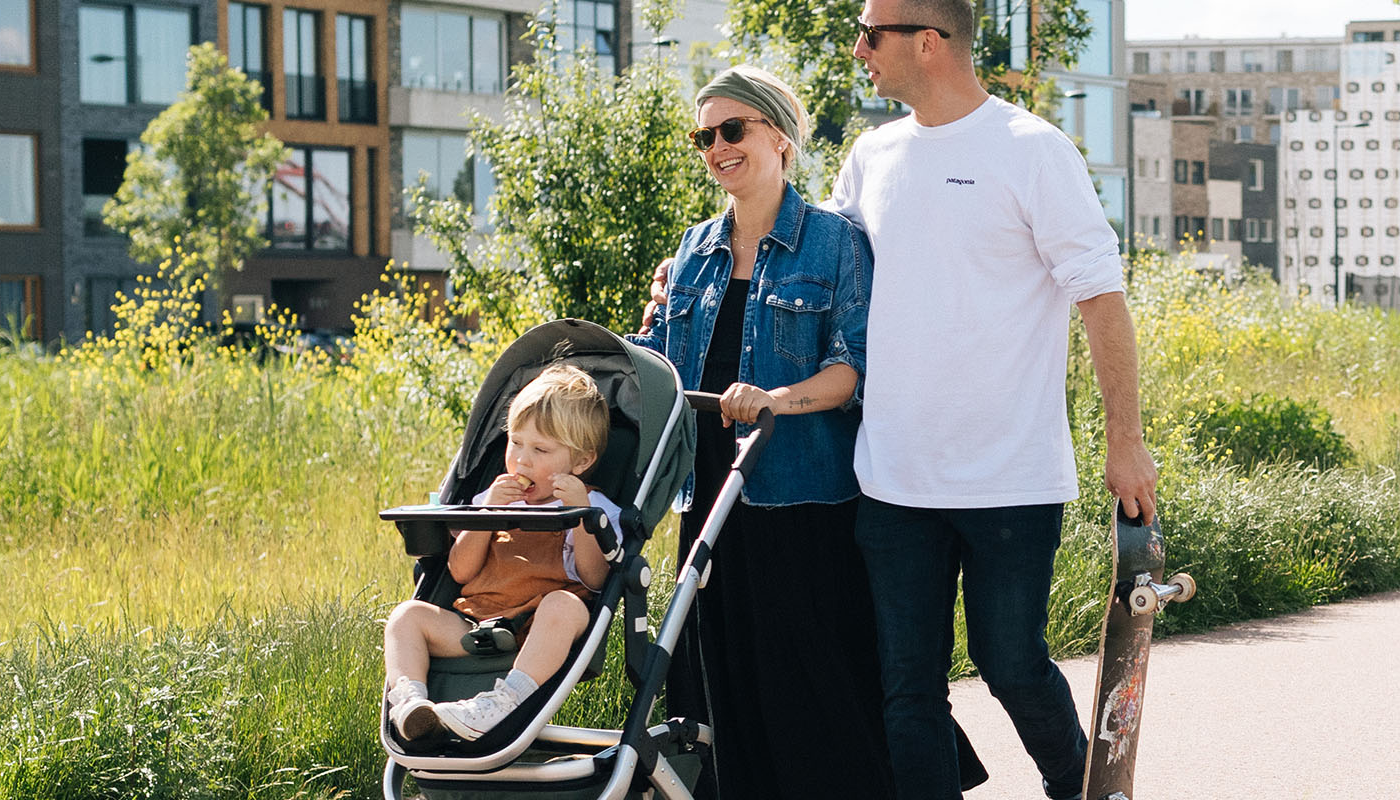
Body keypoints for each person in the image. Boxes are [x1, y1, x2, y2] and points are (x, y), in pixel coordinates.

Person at [645, 2, 1160, 797]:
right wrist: (692, 283)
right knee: (907, 690)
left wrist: (1123, 440)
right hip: (890, 477)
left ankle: (1088, 789)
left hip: (1009, 475)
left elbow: (1101, 298)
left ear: (928, 41)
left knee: (1011, 662)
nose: (857, 50)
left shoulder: (1032, 150)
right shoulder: (873, 154)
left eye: (870, 34)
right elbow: (823, 273)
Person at [627, 65, 895, 800]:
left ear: (779, 136)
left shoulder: (834, 243)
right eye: (704, 135)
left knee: (811, 688)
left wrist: (775, 398)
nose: (716, 146)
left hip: (800, 500)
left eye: (732, 129)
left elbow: (852, 366)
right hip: (708, 498)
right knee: (720, 687)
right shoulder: (692, 251)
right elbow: (661, 362)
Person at [382, 364, 623, 742]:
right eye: (515, 443)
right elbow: (461, 573)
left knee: (566, 605)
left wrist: (581, 516)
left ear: (580, 462)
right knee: (406, 617)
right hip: (477, 623)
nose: (521, 460)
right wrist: (485, 516)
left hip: (537, 629)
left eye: (540, 449)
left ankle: (503, 703)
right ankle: (411, 704)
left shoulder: (593, 506)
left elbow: (595, 580)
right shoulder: (492, 499)